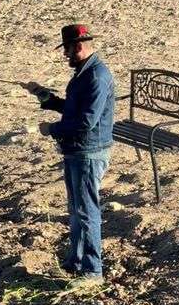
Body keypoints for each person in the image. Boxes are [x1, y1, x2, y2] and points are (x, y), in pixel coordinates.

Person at [23, 24, 114, 283]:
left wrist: (51, 129)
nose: (65, 55)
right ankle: (74, 262)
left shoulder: (96, 76)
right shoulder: (83, 73)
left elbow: (85, 122)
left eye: (67, 50)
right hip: (76, 150)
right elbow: (72, 110)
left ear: (79, 47)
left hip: (89, 152)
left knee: (86, 211)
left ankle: (93, 271)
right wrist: (43, 95)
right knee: (76, 210)